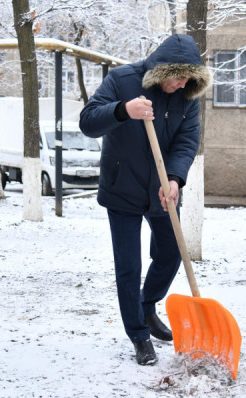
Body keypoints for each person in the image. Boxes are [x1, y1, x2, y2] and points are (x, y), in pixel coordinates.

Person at [79, 34, 211, 365]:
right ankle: (138, 335)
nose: (181, 84)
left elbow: (187, 140)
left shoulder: (186, 95)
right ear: (160, 70)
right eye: (177, 76)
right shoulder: (122, 80)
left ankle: (148, 303)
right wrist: (123, 110)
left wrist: (175, 178)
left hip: (163, 191)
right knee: (129, 265)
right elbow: (88, 122)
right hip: (122, 186)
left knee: (171, 252)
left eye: (188, 78)